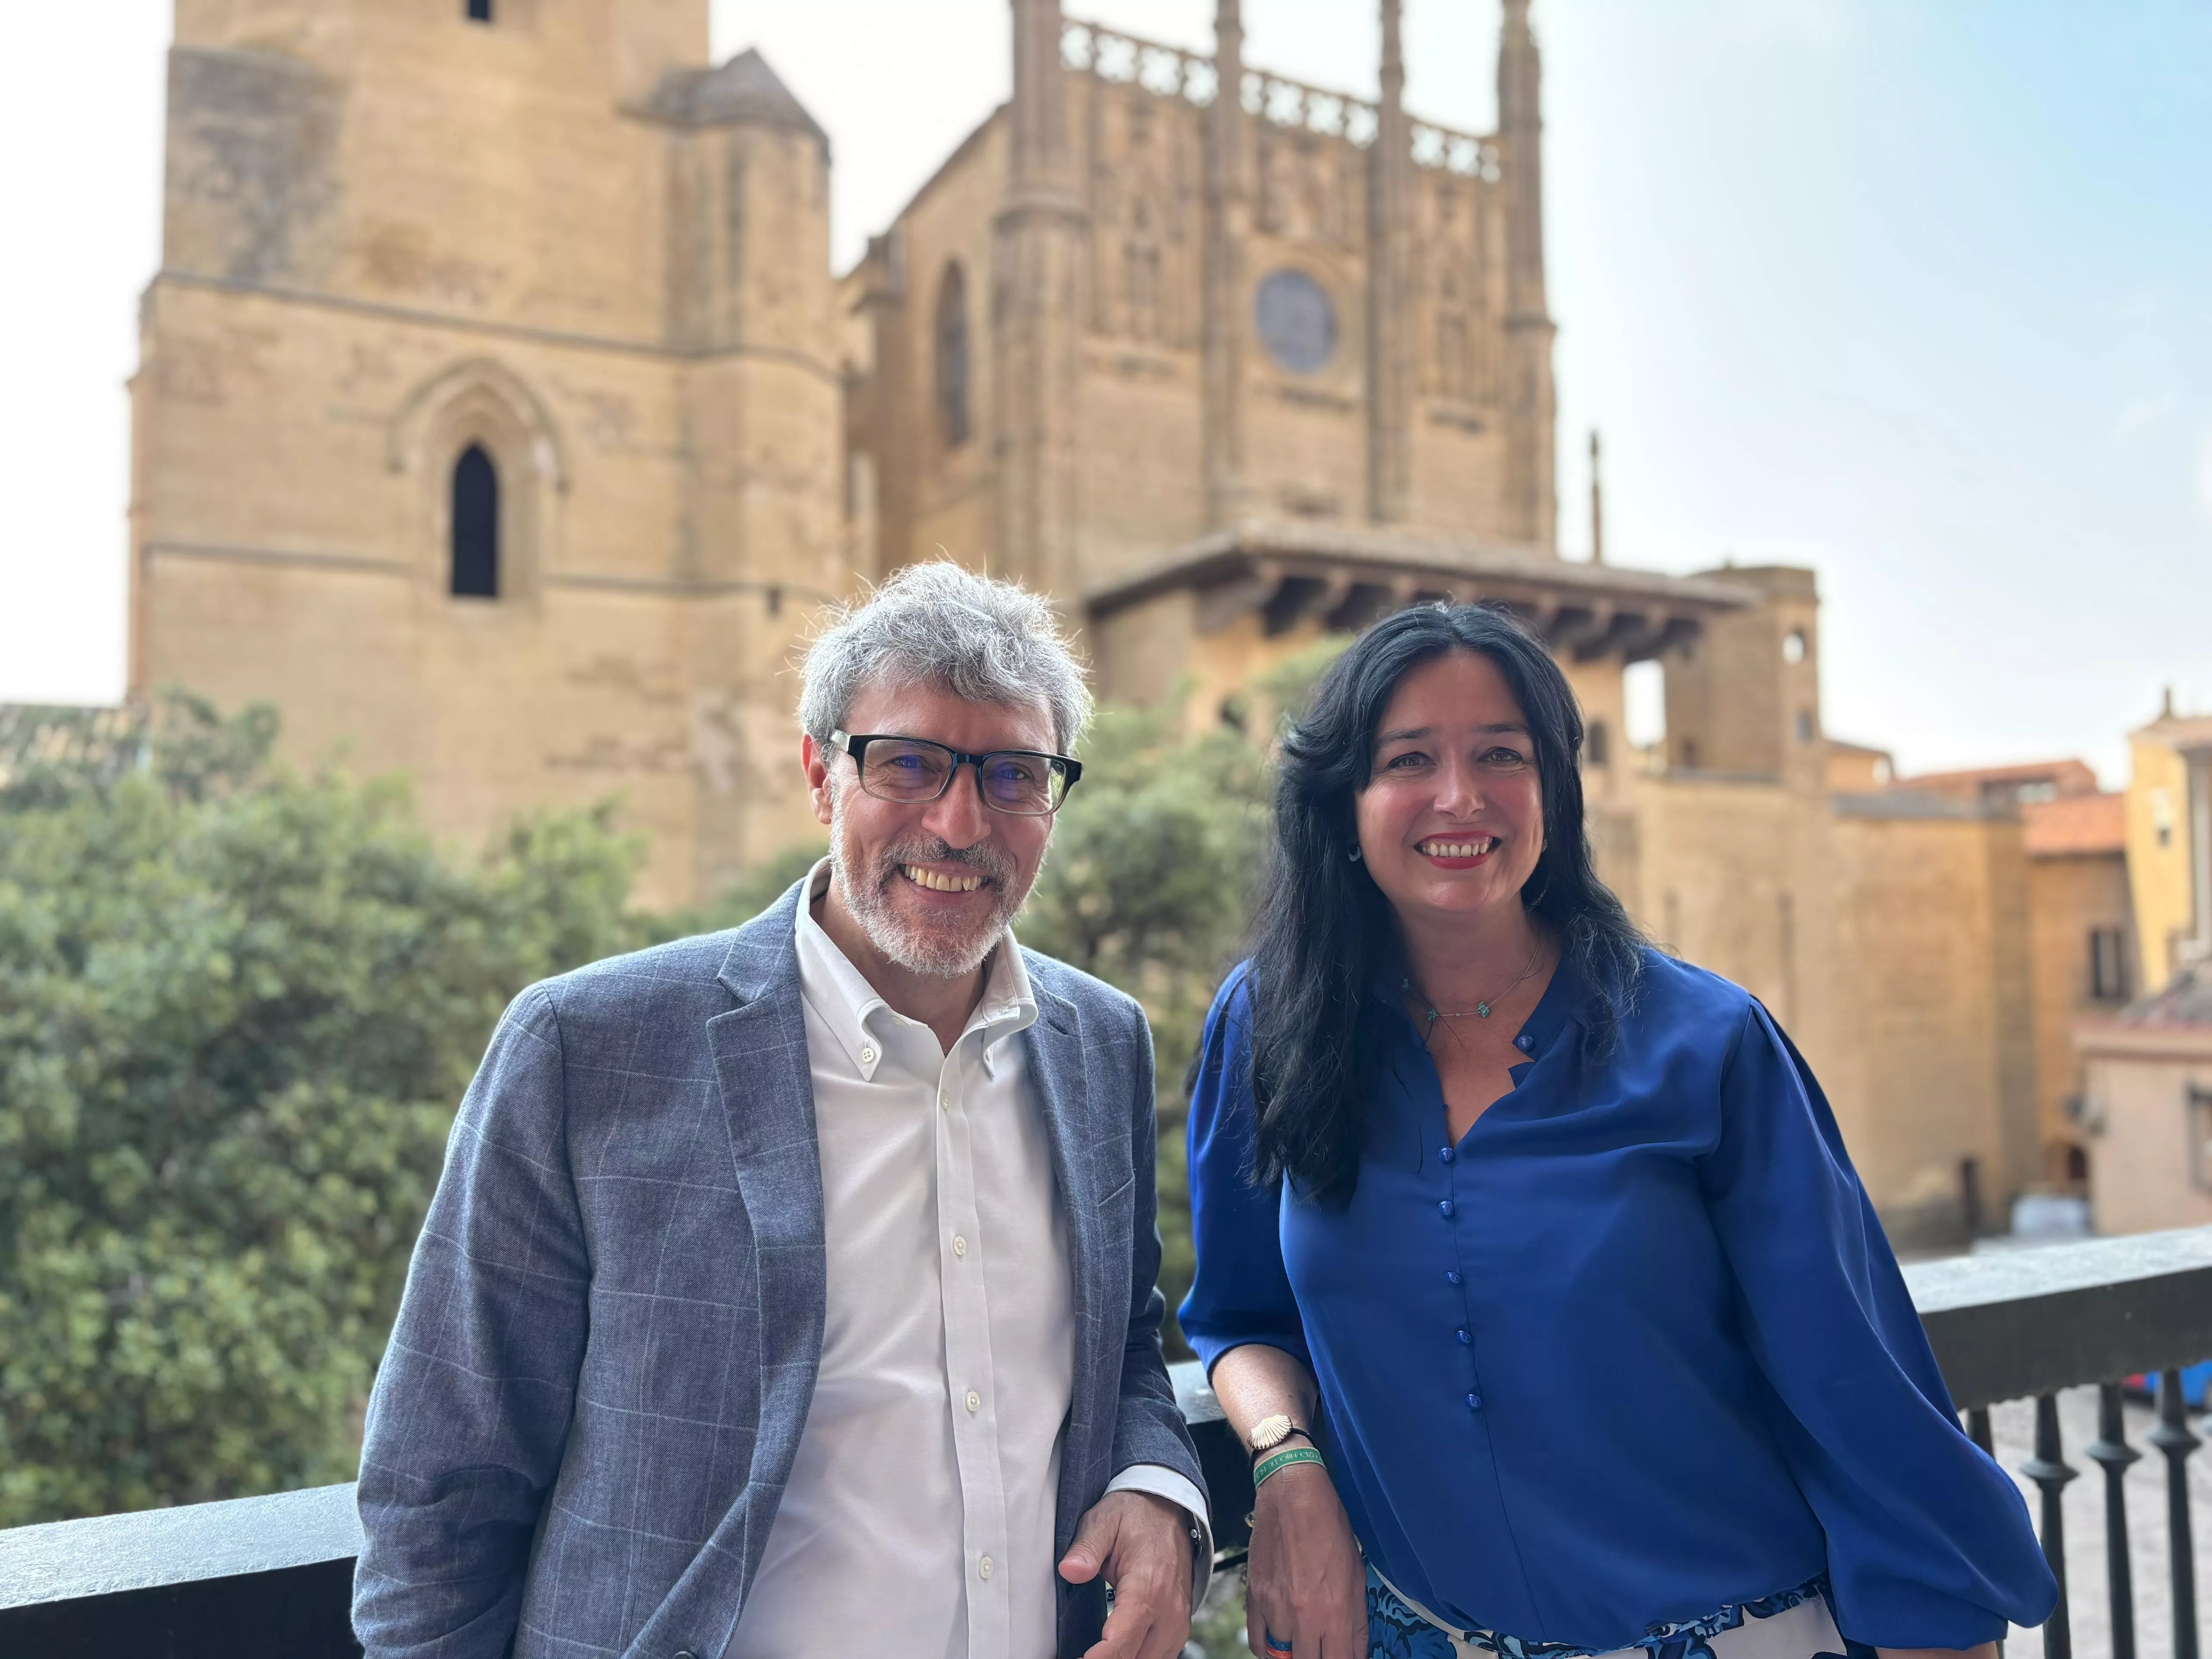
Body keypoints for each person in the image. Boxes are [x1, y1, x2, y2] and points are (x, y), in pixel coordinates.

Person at [353, 562, 1210, 1659]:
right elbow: (439, 1479)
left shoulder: (1099, 1041)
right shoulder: (589, 1048)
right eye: (906, 764)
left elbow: (1125, 1340)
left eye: (1010, 774)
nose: (958, 823)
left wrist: (1151, 1479)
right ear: (819, 774)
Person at [1178, 603, 2056, 1659]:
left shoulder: (1708, 1044)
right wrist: (1285, 1464)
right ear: (1346, 806)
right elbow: (1240, 1314)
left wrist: (1945, 1630)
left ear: (1553, 790)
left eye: (1501, 754)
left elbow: (1850, 1375)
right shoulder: (1270, 1024)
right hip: (1418, 1630)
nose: (1459, 797)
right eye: (1408, 758)